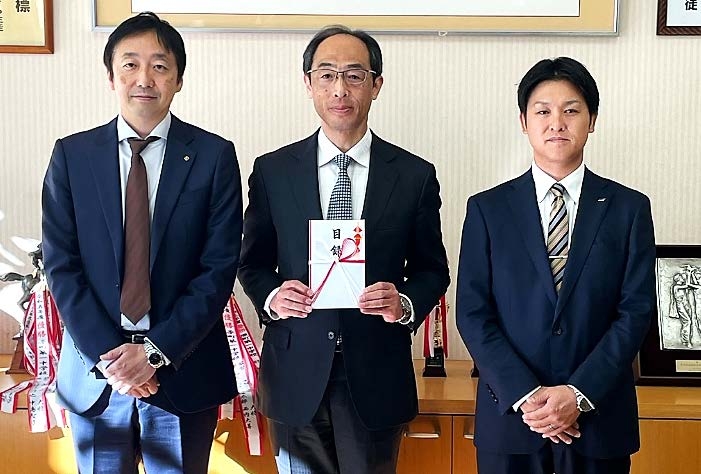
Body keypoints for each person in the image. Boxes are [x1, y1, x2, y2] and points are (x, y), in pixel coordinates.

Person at [238, 25, 450, 474]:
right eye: (327, 75)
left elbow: (433, 269)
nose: (340, 89)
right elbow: (252, 262)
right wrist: (273, 296)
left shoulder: (413, 175)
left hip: (376, 372)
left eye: (354, 75)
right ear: (308, 83)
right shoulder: (273, 171)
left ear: (376, 85)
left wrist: (404, 302)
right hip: (294, 370)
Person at [41, 12, 242, 474]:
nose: (144, 78)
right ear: (111, 76)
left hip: (183, 369)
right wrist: (113, 360)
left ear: (179, 79)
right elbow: (61, 265)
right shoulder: (72, 156)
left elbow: (217, 269)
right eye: (130, 64)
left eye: (160, 65)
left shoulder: (213, 156)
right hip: (97, 375)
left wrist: (153, 354)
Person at [456, 57, 656, 474]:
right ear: (524, 121)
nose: (557, 123)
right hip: (512, 419)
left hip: (598, 421)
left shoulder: (629, 209)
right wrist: (527, 395)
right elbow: (473, 313)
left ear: (592, 119)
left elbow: (635, 311)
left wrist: (578, 393)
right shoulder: (488, 209)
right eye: (543, 111)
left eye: (571, 110)